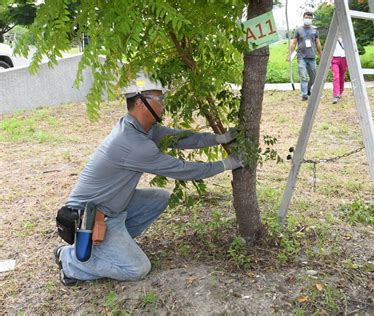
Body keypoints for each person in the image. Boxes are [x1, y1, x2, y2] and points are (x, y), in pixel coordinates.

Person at [54, 71, 243, 286]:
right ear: (141, 103)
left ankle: (112, 247)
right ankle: (69, 261)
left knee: (159, 198)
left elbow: (179, 138)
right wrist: (227, 164)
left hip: (112, 209)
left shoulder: (140, 128)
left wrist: (220, 138)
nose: (164, 104)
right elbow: (182, 169)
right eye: (160, 99)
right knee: (138, 268)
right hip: (89, 218)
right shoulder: (132, 143)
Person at [288, 11, 323, 101]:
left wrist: (321, 54)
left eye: (309, 18)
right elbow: (294, 43)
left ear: (312, 19)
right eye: (306, 17)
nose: (308, 19)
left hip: (312, 57)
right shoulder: (298, 30)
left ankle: (308, 89)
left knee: (313, 77)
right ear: (303, 18)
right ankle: (304, 95)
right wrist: (290, 54)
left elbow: (318, 43)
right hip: (301, 57)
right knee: (303, 76)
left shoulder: (315, 30)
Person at [331, 34, 347, 104]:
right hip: (335, 59)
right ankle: (336, 94)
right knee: (336, 76)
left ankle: (340, 91)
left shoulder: (346, 38)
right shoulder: (332, 38)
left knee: (342, 77)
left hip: (344, 58)